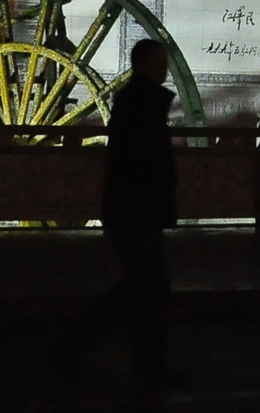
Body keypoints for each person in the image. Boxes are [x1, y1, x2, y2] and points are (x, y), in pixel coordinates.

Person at [100, 38, 181, 394]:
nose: (164, 68)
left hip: (131, 210)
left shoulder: (135, 101)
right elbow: (143, 164)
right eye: (158, 62)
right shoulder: (143, 104)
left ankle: (147, 367)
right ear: (142, 65)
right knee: (148, 291)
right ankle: (149, 368)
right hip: (138, 211)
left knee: (139, 290)